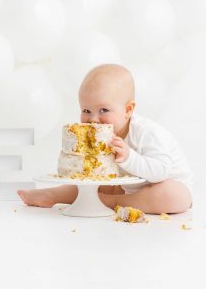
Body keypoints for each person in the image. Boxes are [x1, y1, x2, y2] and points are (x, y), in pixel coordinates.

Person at [17, 64, 193, 214]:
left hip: (163, 185)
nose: (93, 120)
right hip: (124, 188)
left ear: (128, 110)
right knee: (92, 182)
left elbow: (161, 170)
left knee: (174, 196)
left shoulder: (146, 132)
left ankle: (109, 202)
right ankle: (52, 195)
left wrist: (128, 157)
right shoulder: (100, 137)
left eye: (104, 110)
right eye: (86, 111)